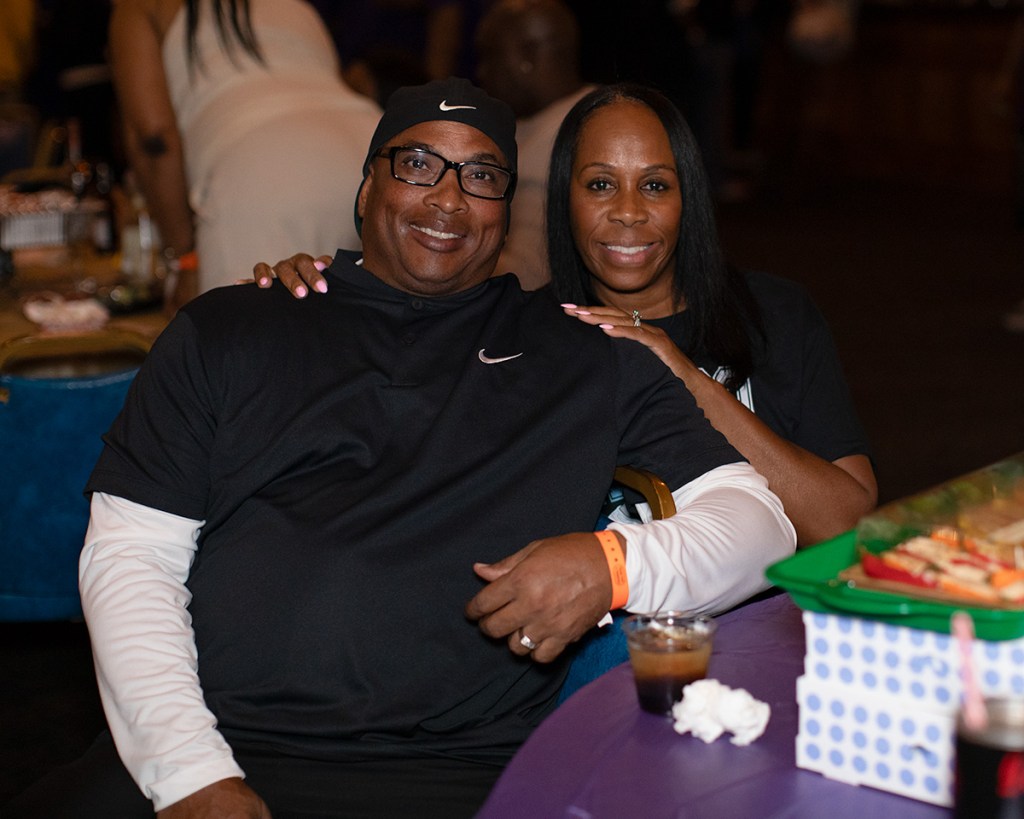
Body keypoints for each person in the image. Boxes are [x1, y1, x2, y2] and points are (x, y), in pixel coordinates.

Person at [6, 77, 794, 819]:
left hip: (453, 775)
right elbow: (131, 554)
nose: (448, 198)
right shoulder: (233, 326)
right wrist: (190, 773)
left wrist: (612, 565)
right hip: (212, 744)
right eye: (418, 164)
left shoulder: (586, 353)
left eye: (481, 176)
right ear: (365, 188)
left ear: (506, 212)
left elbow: (760, 523)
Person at [268, 82, 876, 548]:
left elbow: (847, 526)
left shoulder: (774, 313)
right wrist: (319, 294)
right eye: (600, 185)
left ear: (688, 199)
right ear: (565, 201)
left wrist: (682, 375)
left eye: (655, 186)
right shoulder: (521, 334)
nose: (629, 212)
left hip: (772, 628)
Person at [108, 0, 380, 311]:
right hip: (368, 147)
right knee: (357, 329)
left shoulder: (142, 7)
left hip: (261, 168)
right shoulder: (298, 5)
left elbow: (154, 138)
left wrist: (185, 257)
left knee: (243, 336)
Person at [474, 0, 594, 290]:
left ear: (528, 55)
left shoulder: (563, 140)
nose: (481, 72)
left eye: (491, 56)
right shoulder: (570, 116)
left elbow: (525, 275)